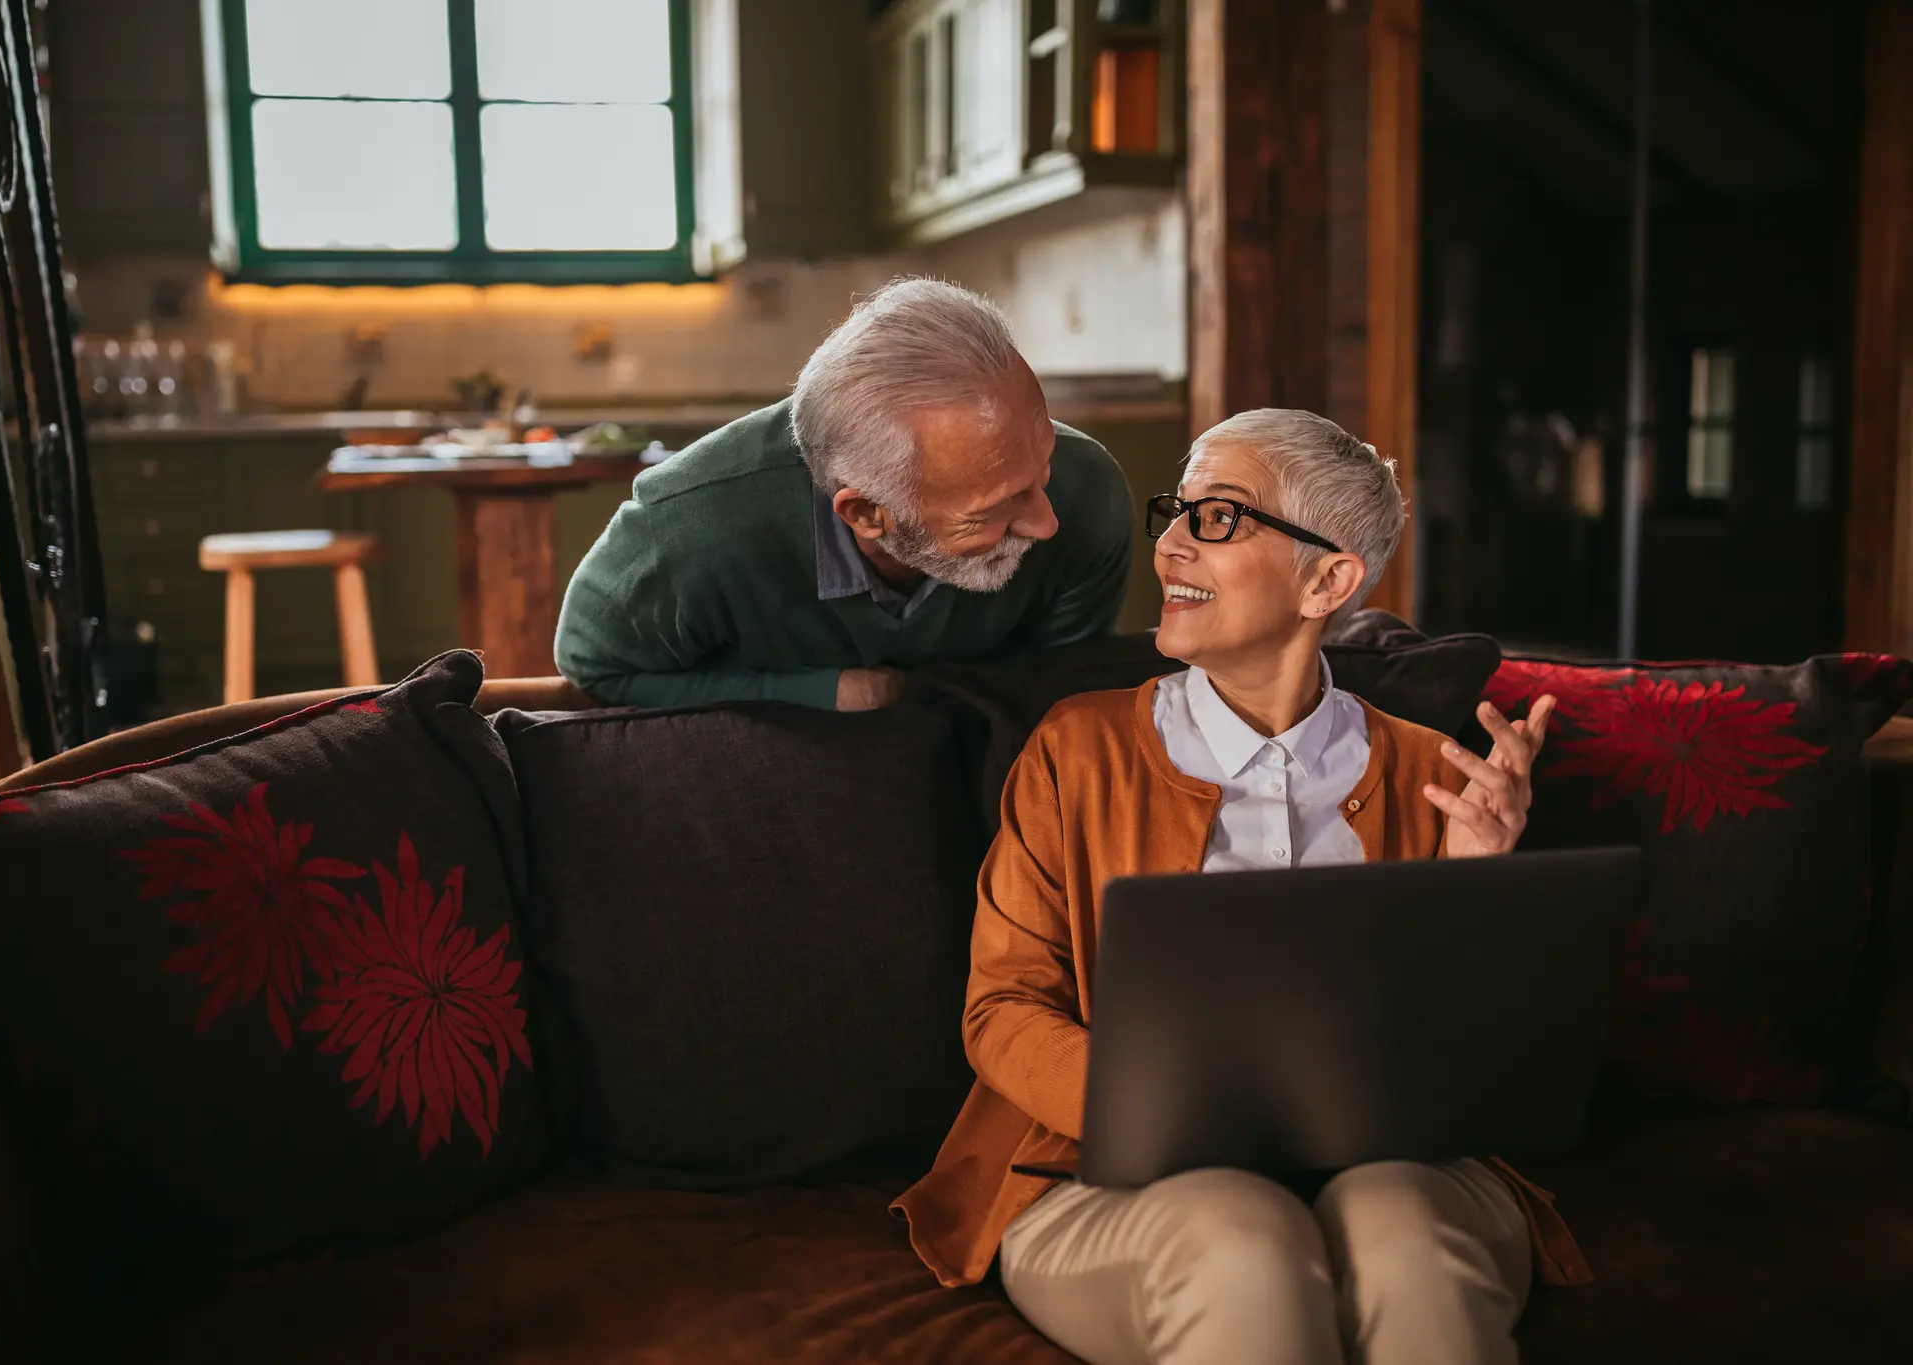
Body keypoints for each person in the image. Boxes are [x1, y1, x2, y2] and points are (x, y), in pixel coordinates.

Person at [892, 408, 1588, 1365]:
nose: (1171, 543)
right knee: (1244, 1241)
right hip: (1104, 1177)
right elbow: (1002, 1010)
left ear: (1328, 581)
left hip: (1394, 1168)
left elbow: (1482, 1063)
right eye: (1177, 511)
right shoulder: (1076, 750)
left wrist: (1479, 879)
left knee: (1404, 1238)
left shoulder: (1439, 776)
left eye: (1217, 517)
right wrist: (1173, 1117)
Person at [553, 278, 1134, 711]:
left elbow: (1058, 693)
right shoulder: (687, 527)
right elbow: (595, 667)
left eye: (1043, 470)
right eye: (997, 506)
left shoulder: (1089, 493)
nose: (1047, 523)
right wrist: (817, 693)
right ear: (866, 513)